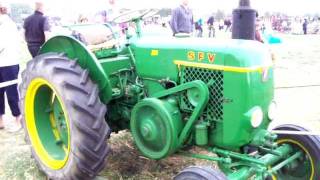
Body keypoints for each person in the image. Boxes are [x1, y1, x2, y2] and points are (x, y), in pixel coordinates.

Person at [0, 2, 22, 132]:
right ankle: (1, 121)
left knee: (12, 92)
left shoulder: (7, 24)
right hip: (3, 62)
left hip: (9, 62)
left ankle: (18, 120)